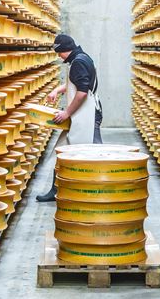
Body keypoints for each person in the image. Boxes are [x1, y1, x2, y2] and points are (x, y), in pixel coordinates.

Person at [36, 34, 103, 202]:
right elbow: (76, 83)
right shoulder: (82, 57)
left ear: (65, 50)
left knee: (93, 154)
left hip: (86, 115)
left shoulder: (78, 62)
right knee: (64, 151)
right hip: (84, 114)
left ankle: (97, 190)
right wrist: (57, 90)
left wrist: (66, 113)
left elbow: (81, 93)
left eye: (59, 53)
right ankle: (57, 190)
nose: (59, 56)